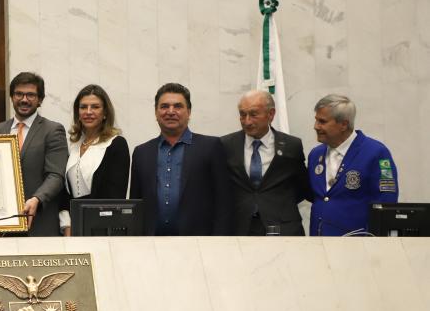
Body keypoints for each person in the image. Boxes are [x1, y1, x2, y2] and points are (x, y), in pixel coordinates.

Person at [129, 82, 232, 236]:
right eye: (164, 106)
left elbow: (224, 201)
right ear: (156, 113)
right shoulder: (141, 152)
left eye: (178, 106)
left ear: (189, 112)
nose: (170, 111)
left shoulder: (211, 147)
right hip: (151, 243)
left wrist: (220, 241)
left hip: (200, 243)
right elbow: (135, 205)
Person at [221, 90, 309, 235]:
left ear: (271, 114)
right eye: (242, 115)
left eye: (253, 114)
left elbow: (301, 187)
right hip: (239, 227)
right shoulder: (226, 145)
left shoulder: (291, 145)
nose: (247, 121)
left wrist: (276, 202)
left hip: (282, 227)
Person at [308, 94, 398, 236]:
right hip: (319, 244)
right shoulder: (315, 155)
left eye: (322, 121)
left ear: (343, 124)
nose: (316, 126)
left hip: (358, 245)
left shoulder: (376, 153)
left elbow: (386, 201)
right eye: (316, 120)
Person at [0, 72, 67, 236]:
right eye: (19, 94)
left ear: (40, 100)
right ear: (11, 97)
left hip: (40, 222)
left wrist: (37, 199)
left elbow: (56, 175)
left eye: (31, 95)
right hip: (3, 225)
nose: (24, 99)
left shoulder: (52, 130)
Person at [58, 84, 130, 236]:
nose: (88, 112)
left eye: (95, 107)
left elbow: (115, 197)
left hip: (103, 229)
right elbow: (65, 192)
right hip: (73, 228)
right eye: (83, 107)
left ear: (105, 113)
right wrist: (67, 226)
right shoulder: (73, 145)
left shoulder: (116, 144)